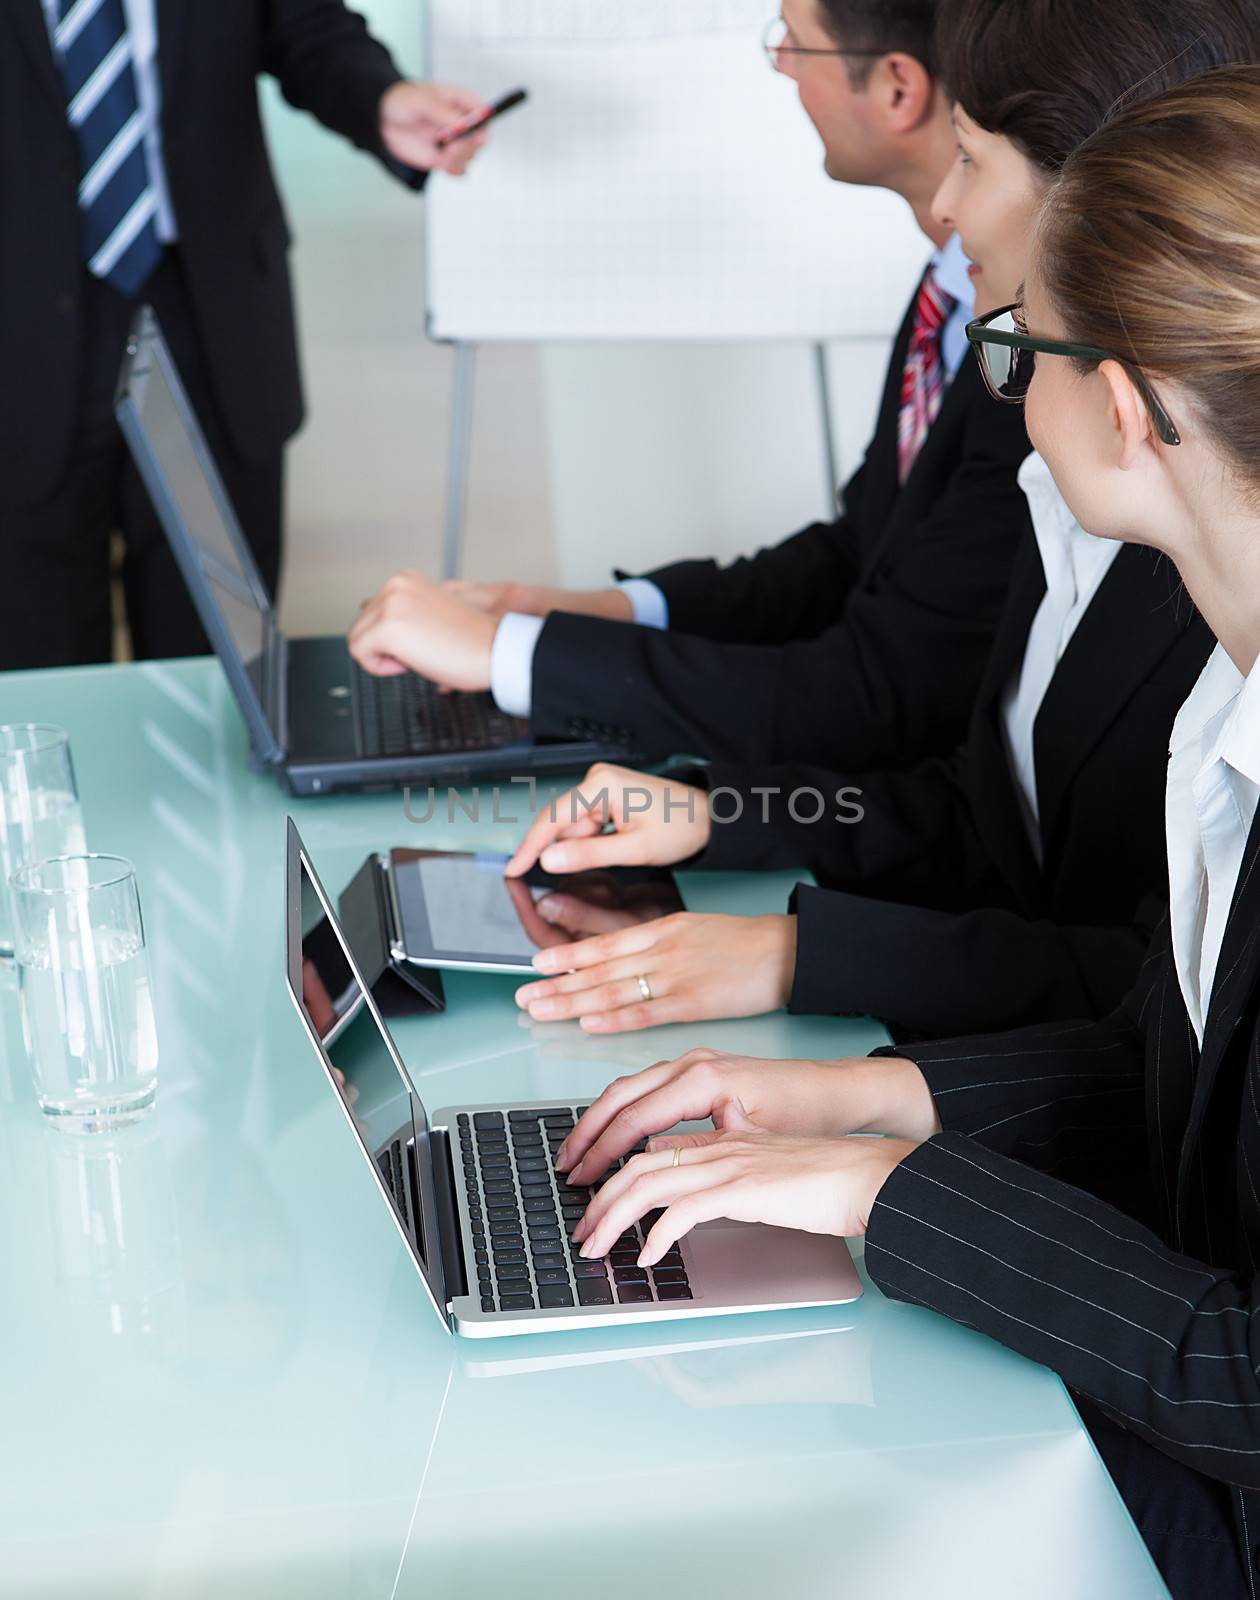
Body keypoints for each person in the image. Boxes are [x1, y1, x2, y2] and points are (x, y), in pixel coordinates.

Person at [555, 68, 1260, 1599]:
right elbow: (1164, 1062)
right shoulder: (1228, 703)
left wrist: (885, 1192)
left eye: (1024, 351)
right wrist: (849, 1103)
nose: (1002, 385)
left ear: (1128, 409)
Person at [500, 0, 1252, 1043]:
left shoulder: (1193, 571)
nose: (942, 207)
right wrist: (725, 814)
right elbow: (988, 816)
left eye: (973, 160)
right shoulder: (1072, 498)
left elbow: (1157, 1007)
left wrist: (802, 959)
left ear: (1104, 198)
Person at [349, 0, 1035, 776]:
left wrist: (508, 654)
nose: (780, 64)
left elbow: (874, 692)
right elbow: (859, 554)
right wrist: (588, 614)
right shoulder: (950, 287)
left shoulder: (1021, 348)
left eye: (796, 45)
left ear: (898, 89)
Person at [2, 0, 489, 670]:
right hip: (20, 322)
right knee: (32, 668)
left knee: (219, 658)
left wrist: (381, 98)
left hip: (210, 310)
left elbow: (307, 27)